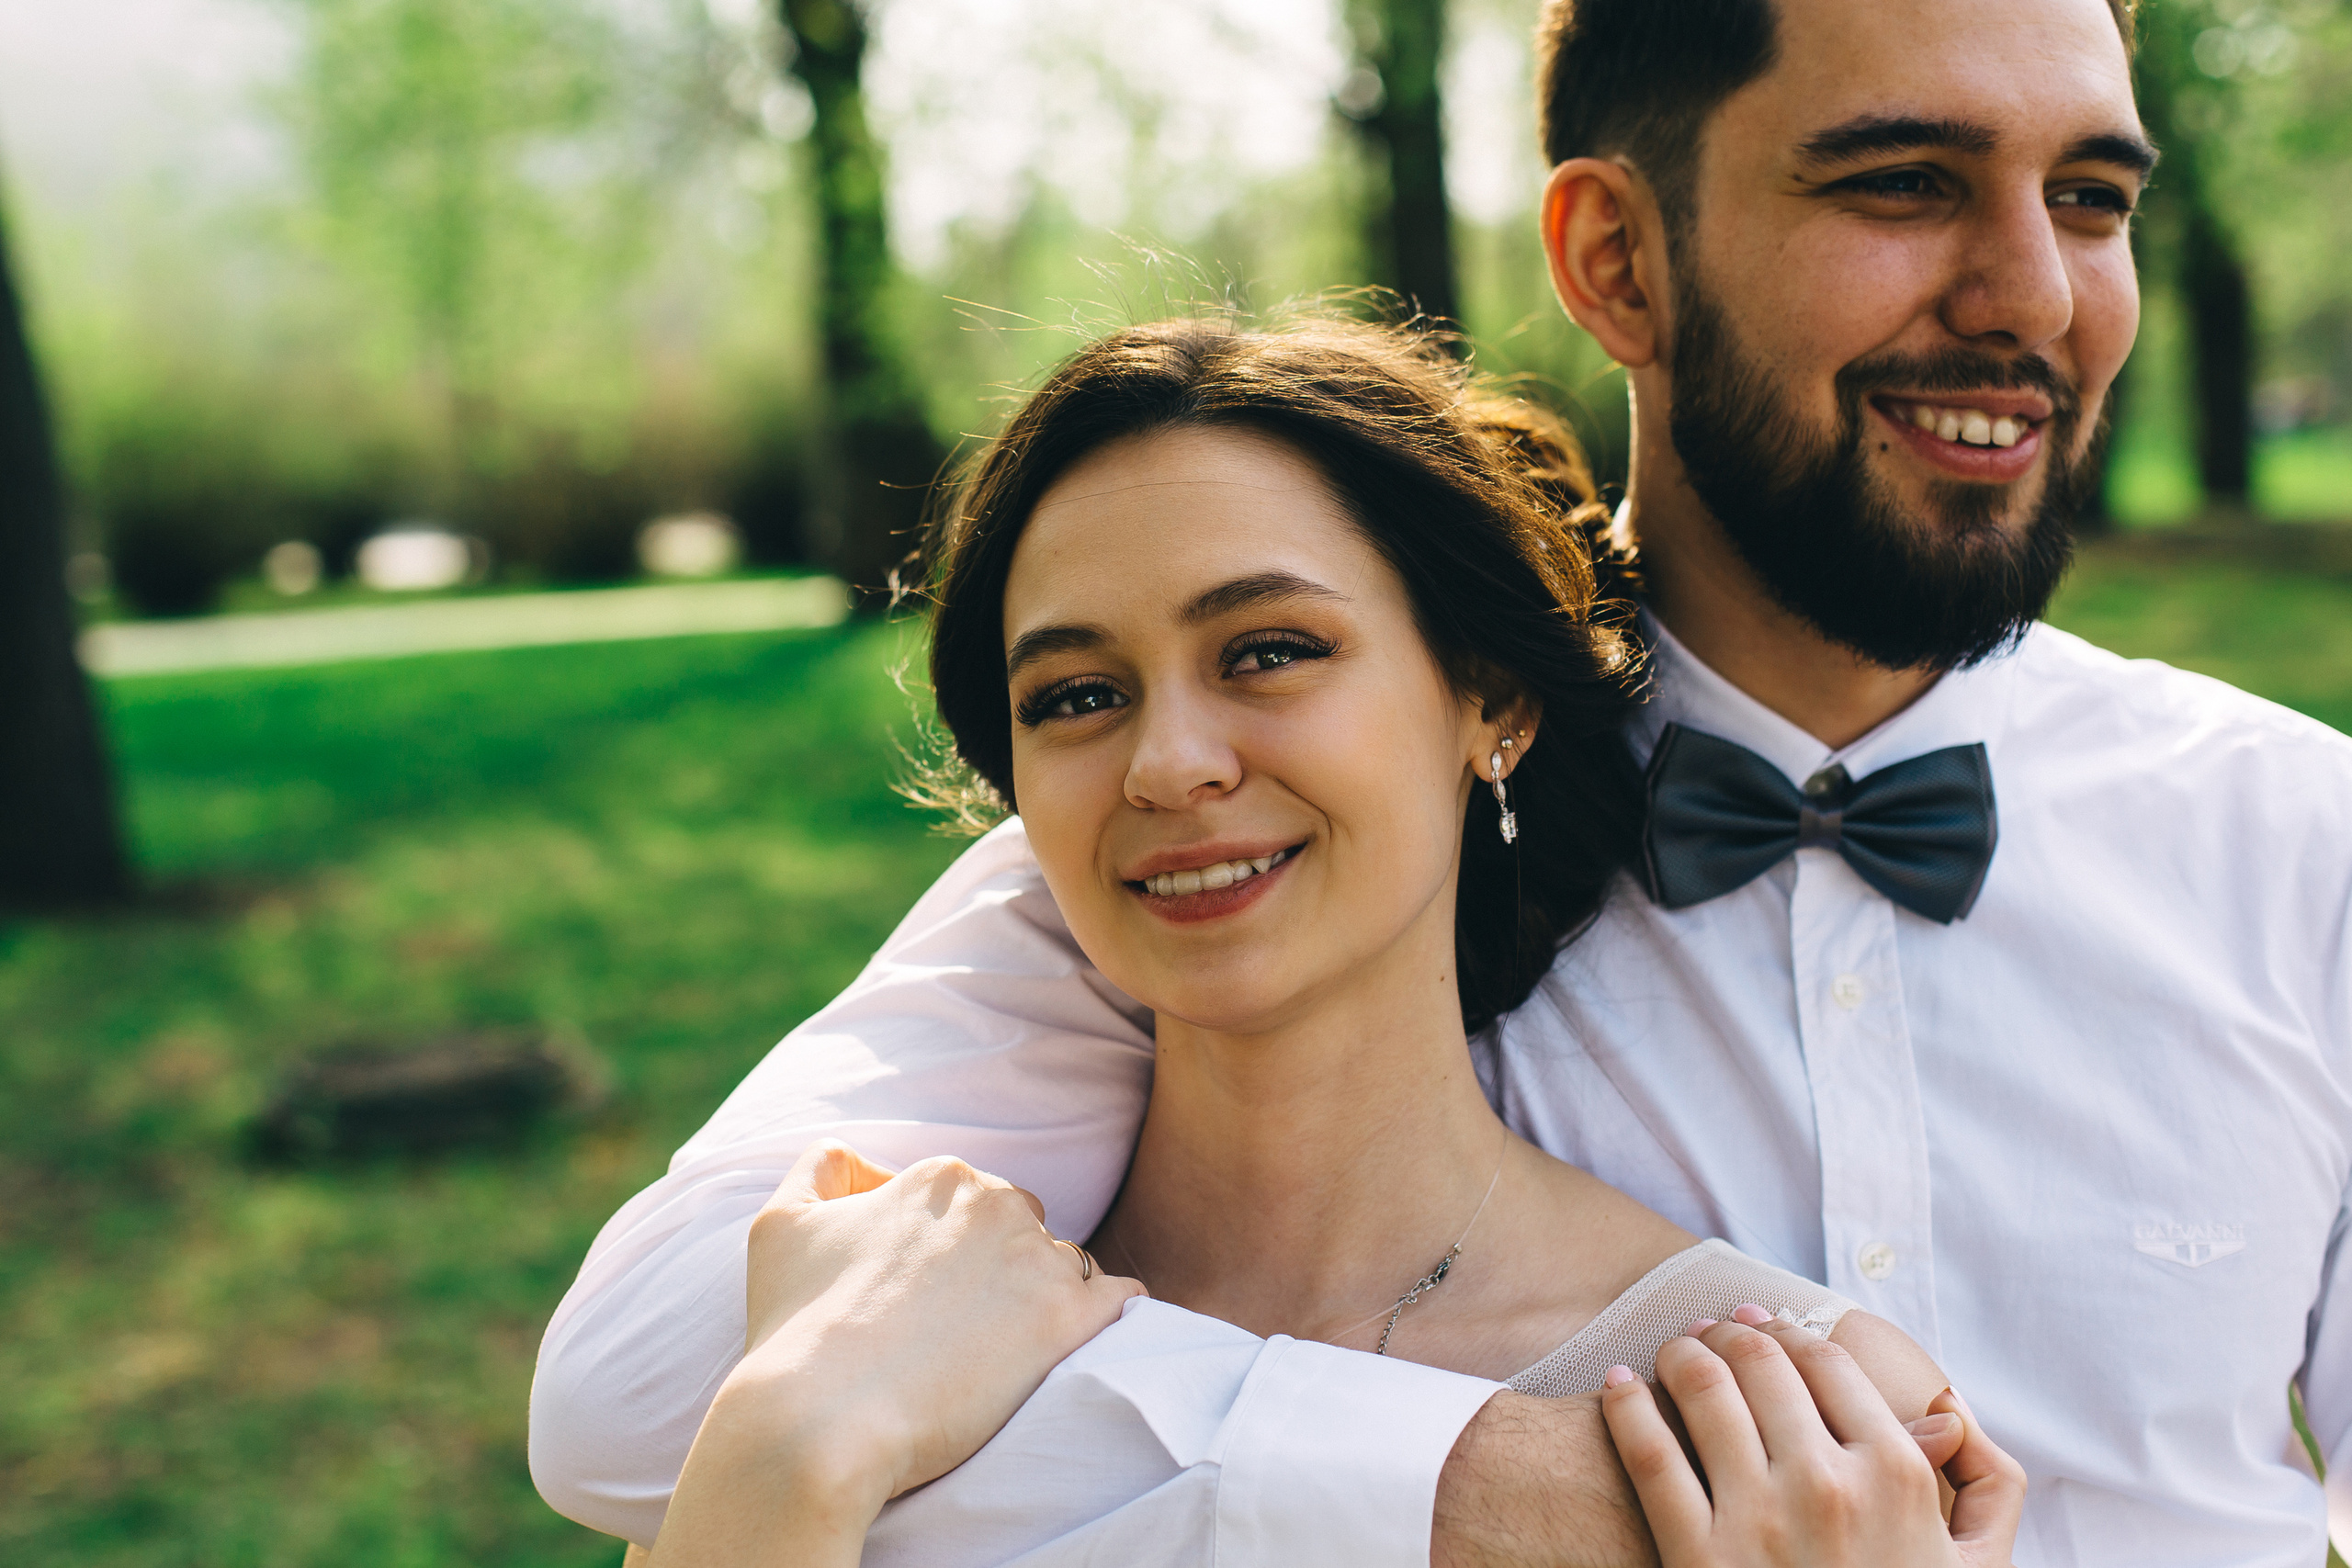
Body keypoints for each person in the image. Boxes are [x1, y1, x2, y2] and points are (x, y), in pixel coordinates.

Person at [533, 0, 2352, 1562]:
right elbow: (645, 1384)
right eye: (1901, 183)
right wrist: (1487, 1490)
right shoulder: (1268, 828)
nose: (2033, 291)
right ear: (1615, 259)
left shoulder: (2304, 844)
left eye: (2091, 198)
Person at [636, 313, 2019, 1566]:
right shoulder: (861, 1332)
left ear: (1492, 701)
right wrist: (790, 1450)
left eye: (1269, 650)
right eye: (1076, 696)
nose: (1167, 764)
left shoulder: (1792, 1430)